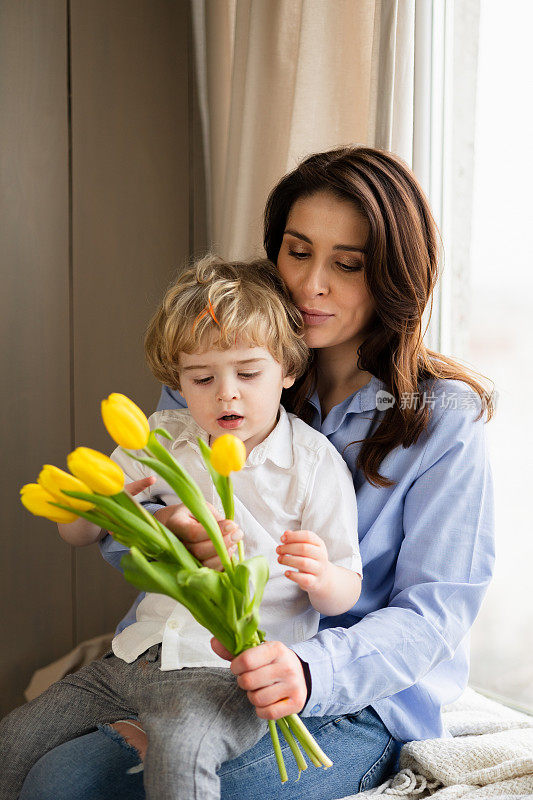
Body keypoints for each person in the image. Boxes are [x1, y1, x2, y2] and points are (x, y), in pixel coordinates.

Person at [16, 146, 495, 800]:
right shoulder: (222, 368)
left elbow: (435, 611)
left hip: (352, 701)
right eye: (297, 253)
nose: (310, 285)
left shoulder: (439, 416)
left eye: (347, 264)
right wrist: (170, 534)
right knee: (52, 781)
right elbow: (129, 517)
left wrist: (307, 669)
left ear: (393, 277)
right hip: (197, 671)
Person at [0, 256, 363, 800]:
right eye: (202, 377)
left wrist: (319, 575)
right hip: (135, 656)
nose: (226, 394)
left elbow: (345, 592)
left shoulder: (311, 465)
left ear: (287, 370)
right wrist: (102, 504)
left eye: (248, 373)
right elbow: (74, 534)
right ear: (178, 379)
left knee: (181, 754)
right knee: (16, 734)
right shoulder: (159, 439)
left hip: (222, 672)